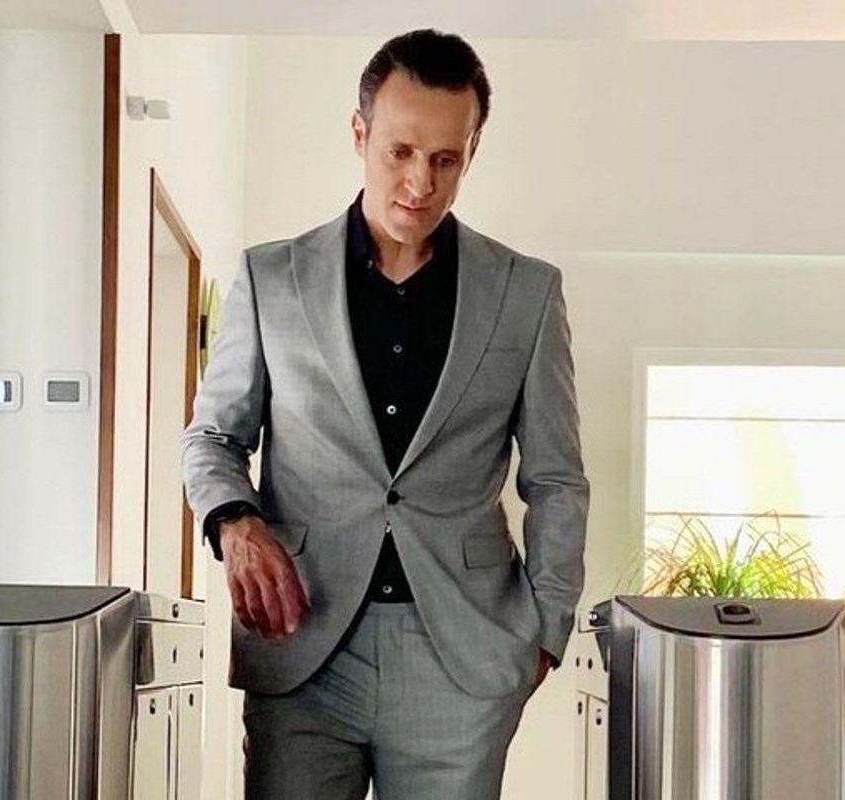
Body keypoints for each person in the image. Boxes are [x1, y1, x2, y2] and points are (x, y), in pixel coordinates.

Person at [181, 28, 589, 800]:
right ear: (359, 133)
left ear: (471, 152)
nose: (420, 183)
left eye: (446, 159)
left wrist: (545, 629)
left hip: (462, 655)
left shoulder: (526, 293)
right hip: (303, 645)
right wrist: (236, 523)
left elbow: (558, 479)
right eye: (400, 151)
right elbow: (212, 437)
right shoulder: (271, 278)